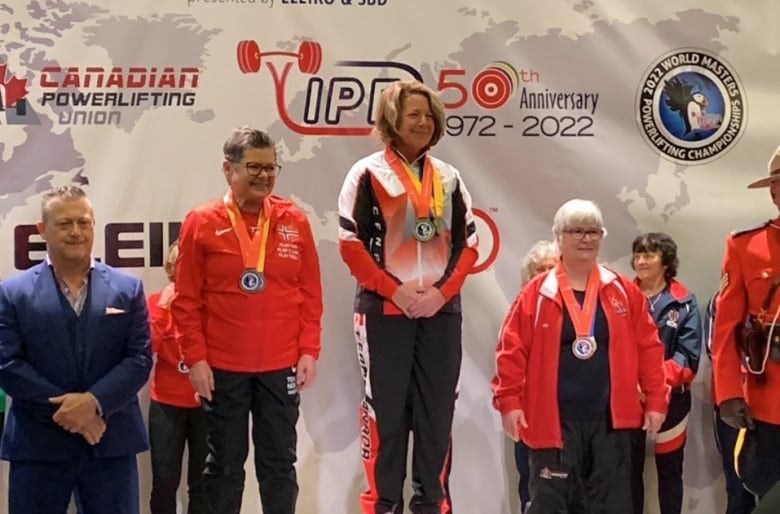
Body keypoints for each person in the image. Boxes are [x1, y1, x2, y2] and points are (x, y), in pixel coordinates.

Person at [338, 79, 479, 514]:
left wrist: (440, 294)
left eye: (429, 114)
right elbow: (350, 243)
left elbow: (468, 244)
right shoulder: (366, 173)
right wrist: (395, 291)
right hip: (384, 312)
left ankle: (432, 504)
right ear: (391, 121)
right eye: (412, 113)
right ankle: (382, 505)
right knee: (386, 417)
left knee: (437, 416)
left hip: (440, 314)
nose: (422, 121)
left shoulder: (449, 177)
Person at [172, 126, 323, 514]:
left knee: (278, 466)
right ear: (229, 169)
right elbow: (185, 299)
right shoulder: (201, 221)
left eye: (271, 168)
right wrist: (196, 358)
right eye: (254, 167)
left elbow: (310, 294)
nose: (264, 176)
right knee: (223, 467)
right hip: (223, 367)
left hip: (280, 365)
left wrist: (309, 350)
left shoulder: (295, 220)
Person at [492, 198, 669, 514]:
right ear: (558, 236)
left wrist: (656, 399)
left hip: (611, 425)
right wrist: (509, 402)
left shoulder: (623, 291)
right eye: (576, 231)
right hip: (554, 424)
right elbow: (511, 350)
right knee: (552, 505)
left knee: (611, 506)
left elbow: (649, 347)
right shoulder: (537, 293)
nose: (586, 239)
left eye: (593, 231)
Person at [0, 185, 152, 513]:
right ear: (42, 229)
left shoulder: (129, 289)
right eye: (64, 223)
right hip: (38, 445)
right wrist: (75, 413)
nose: (76, 232)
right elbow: (7, 364)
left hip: (110, 442)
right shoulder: (12, 293)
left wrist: (94, 404)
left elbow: (139, 358)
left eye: (83, 222)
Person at [712, 144, 780, 497]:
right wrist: (728, 393)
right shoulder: (745, 245)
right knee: (767, 493)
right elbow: (725, 329)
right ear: (773, 192)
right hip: (769, 397)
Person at [629, 232, 702, 514]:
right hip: (629, 399)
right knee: (628, 471)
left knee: (670, 471)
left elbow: (689, 356)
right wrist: (633, 383)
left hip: (673, 400)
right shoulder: (620, 297)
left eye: (649, 255)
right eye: (637, 255)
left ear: (666, 261)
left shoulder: (684, 302)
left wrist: (654, 383)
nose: (641, 261)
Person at [148, 242, 207, 514]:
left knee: (204, 482)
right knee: (163, 480)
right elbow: (146, 349)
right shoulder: (156, 302)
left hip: (206, 402)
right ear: (170, 270)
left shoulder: (211, 305)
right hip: (166, 404)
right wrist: (162, 309)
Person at [513, 240, 559, 513]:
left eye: (552, 268)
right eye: (540, 270)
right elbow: (511, 365)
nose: (545, 275)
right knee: (530, 484)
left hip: (571, 418)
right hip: (530, 415)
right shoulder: (520, 311)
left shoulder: (581, 310)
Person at [704, 292, 756, 514]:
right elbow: (714, 350)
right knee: (736, 483)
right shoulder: (719, 300)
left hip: (770, 401)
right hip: (733, 402)